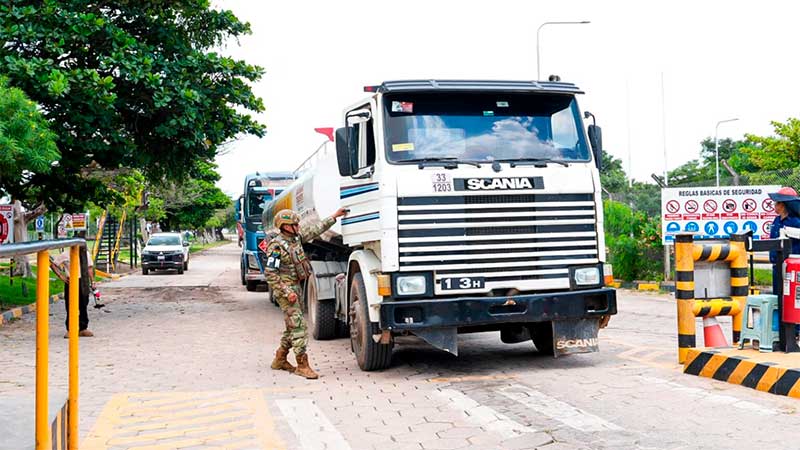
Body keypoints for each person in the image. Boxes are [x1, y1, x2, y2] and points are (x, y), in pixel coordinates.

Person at [264, 208, 347, 379]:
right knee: (299, 327)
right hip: (286, 290)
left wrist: (334, 216)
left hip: (296, 287)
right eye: (294, 224)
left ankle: (280, 359)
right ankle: (302, 364)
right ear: (285, 226)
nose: (297, 226)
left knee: (292, 326)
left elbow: (315, 230)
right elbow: (270, 273)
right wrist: (287, 292)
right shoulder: (277, 246)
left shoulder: (296, 239)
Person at [768, 187, 800, 296]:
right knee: (777, 295)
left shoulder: (796, 223)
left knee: (790, 296)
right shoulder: (776, 221)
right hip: (777, 265)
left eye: (777, 203)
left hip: (791, 267)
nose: (775, 205)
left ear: (783, 205)